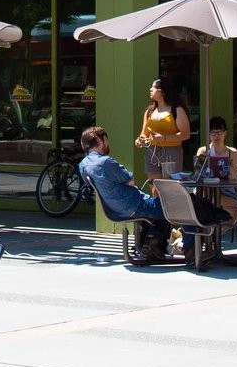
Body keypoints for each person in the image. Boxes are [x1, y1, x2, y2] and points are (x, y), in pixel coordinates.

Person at [77, 124, 169, 263]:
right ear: (100, 141)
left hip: (115, 209)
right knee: (172, 207)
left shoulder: (83, 165)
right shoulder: (106, 162)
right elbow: (130, 180)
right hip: (133, 205)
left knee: (155, 210)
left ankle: (145, 244)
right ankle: (153, 245)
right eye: (106, 140)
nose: (108, 143)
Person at [193, 116, 237, 223]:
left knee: (233, 214)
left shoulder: (232, 152)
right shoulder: (203, 151)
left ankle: (215, 236)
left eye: (219, 132)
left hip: (226, 188)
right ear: (209, 134)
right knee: (209, 196)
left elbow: (234, 175)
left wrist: (225, 165)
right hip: (206, 188)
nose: (216, 136)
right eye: (213, 132)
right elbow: (197, 171)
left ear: (225, 133)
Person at [133, 78, 190, 181]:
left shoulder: (176, 110)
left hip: (171, 151)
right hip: (152, 151)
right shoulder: (150, 111)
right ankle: (156, 198)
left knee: (170, 184)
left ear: (163, 91)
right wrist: (140, 140)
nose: (150, 89)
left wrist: (164, 138)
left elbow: (185, 134)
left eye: (154, 87)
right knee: (154, 184)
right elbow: (144, 134)